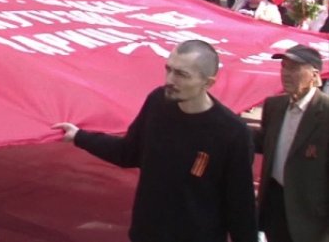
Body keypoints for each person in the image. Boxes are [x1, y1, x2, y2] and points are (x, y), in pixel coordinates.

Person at [53, 40, 258, 242]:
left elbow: (240, 207)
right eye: (168, 69)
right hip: (146, 234)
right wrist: (80, 137)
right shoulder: (157, 102)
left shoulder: (232, 133)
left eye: (181, 75)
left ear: (208, 82)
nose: (170, 79)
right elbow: (128, 152)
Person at [253, 44, 329, 242]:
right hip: (275, 205)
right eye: (283, 67)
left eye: (294, 68)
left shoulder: (325, 114)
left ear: (314, 75)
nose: (286, 73)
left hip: (310, 217)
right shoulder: (274, 106)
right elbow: (263, 141)